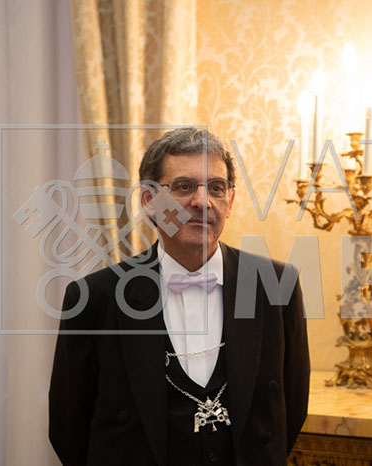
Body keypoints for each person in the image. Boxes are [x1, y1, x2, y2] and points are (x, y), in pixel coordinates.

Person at [49, 128, 310, 466]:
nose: (202, 201)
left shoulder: (276, 285)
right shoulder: (94, 298)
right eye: (184, 186)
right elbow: (68, 429)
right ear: (149, 201)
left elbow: (291, 410)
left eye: (216, 187)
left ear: (230, 202)